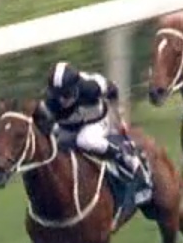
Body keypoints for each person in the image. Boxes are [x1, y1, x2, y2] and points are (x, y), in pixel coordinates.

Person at [42, 61, 151, 204]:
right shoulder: (50, 102)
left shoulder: (91, 87)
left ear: (75, 87)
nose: (62, 100)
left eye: (66, 94)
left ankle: (125, 156)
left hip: (96, 121)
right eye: (58, 96)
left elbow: (113, 91)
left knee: (85, 140)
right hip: (68, 127)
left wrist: (119, 120)